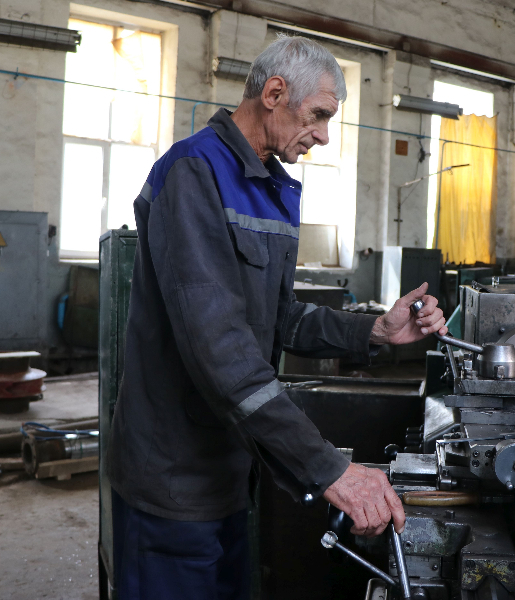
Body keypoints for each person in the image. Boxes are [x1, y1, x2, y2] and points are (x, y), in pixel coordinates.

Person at [106, 35, 447, 599]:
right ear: (273, 92)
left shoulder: (272, 189)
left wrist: (376, 331)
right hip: (171, 479)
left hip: (232, 469)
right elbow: (221, 351)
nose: (323, 135)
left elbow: (280, 319)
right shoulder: (194, 173)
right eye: (318, 116)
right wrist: (330, 469)